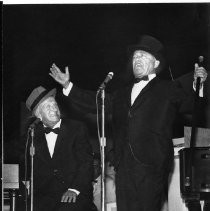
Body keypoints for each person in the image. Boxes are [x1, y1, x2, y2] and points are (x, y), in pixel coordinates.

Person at [49, 35, 208, 211]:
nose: (137, 59)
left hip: (151, 164)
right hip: (123, 165)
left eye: (143, 55)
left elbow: (190, 103)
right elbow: (95, 102)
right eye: (135, 56)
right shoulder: (121, 94)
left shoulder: (167, 89)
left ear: (156, 63)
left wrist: (197, 84)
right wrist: (68, 86)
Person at [19, 86, 94, 211]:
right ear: (39, 115)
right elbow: (24, 166)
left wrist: (74, 189)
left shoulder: (77, 128)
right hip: (43, 197)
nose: (53, 108)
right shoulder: (32, 135)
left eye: (54, 104)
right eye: (47, 106)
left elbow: (86, 163)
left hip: (74, 192)